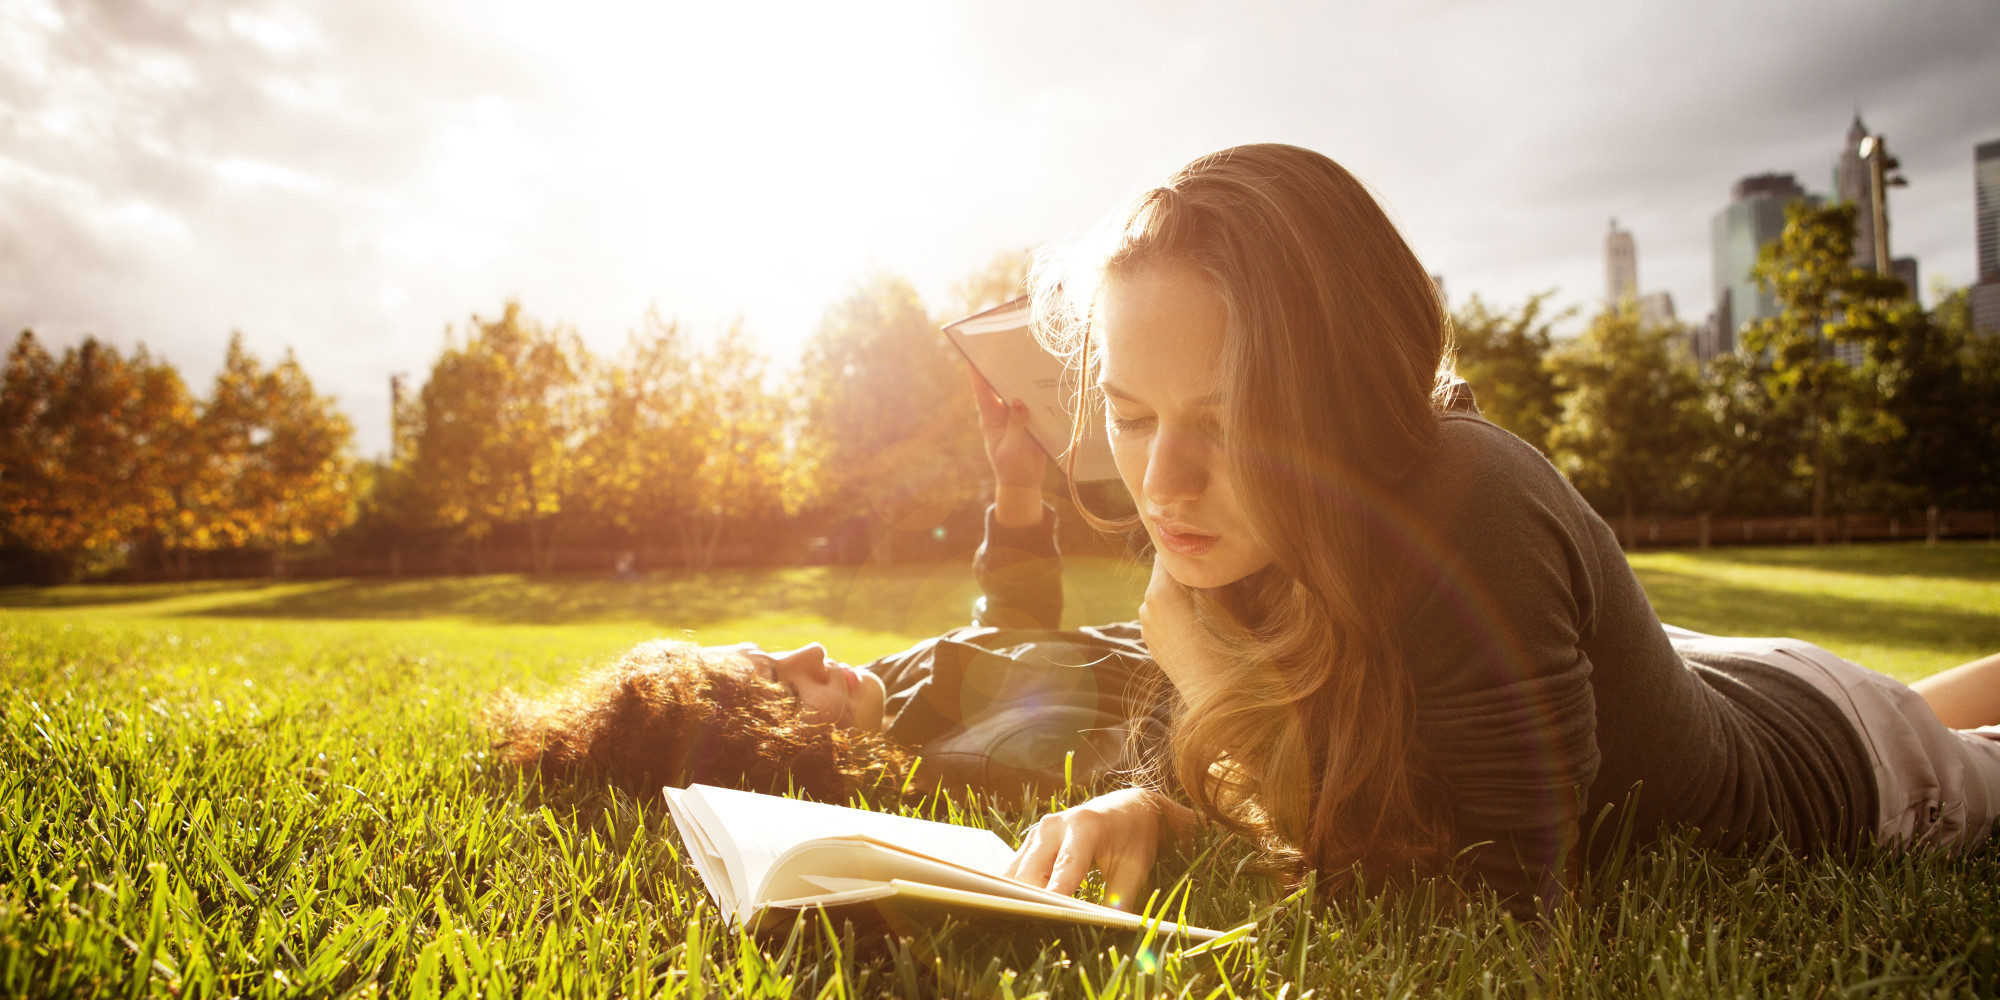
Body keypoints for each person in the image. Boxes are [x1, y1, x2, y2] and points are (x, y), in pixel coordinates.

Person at [995, 142, 2000, 912]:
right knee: (1901, 696)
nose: (1163, 482)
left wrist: (1210, 682)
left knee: (1923, 730)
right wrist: (1147, 811)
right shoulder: (1241, 528)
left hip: (1842, 763)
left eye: (1228, 420)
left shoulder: (1472, 497)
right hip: (1706, 686)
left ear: (1341, 396)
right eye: (1130, 416)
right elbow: (1343, 806)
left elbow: (1490, 901)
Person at [489, 391, 1167, 800]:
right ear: (780, 762)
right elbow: (1168, 744)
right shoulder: (964, 763)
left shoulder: (888, 698)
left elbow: (1018, 637)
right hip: (1240, 654)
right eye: (786, 691)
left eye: (771, 654)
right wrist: (1198, 624)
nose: (811, 649)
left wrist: (1016, 488)